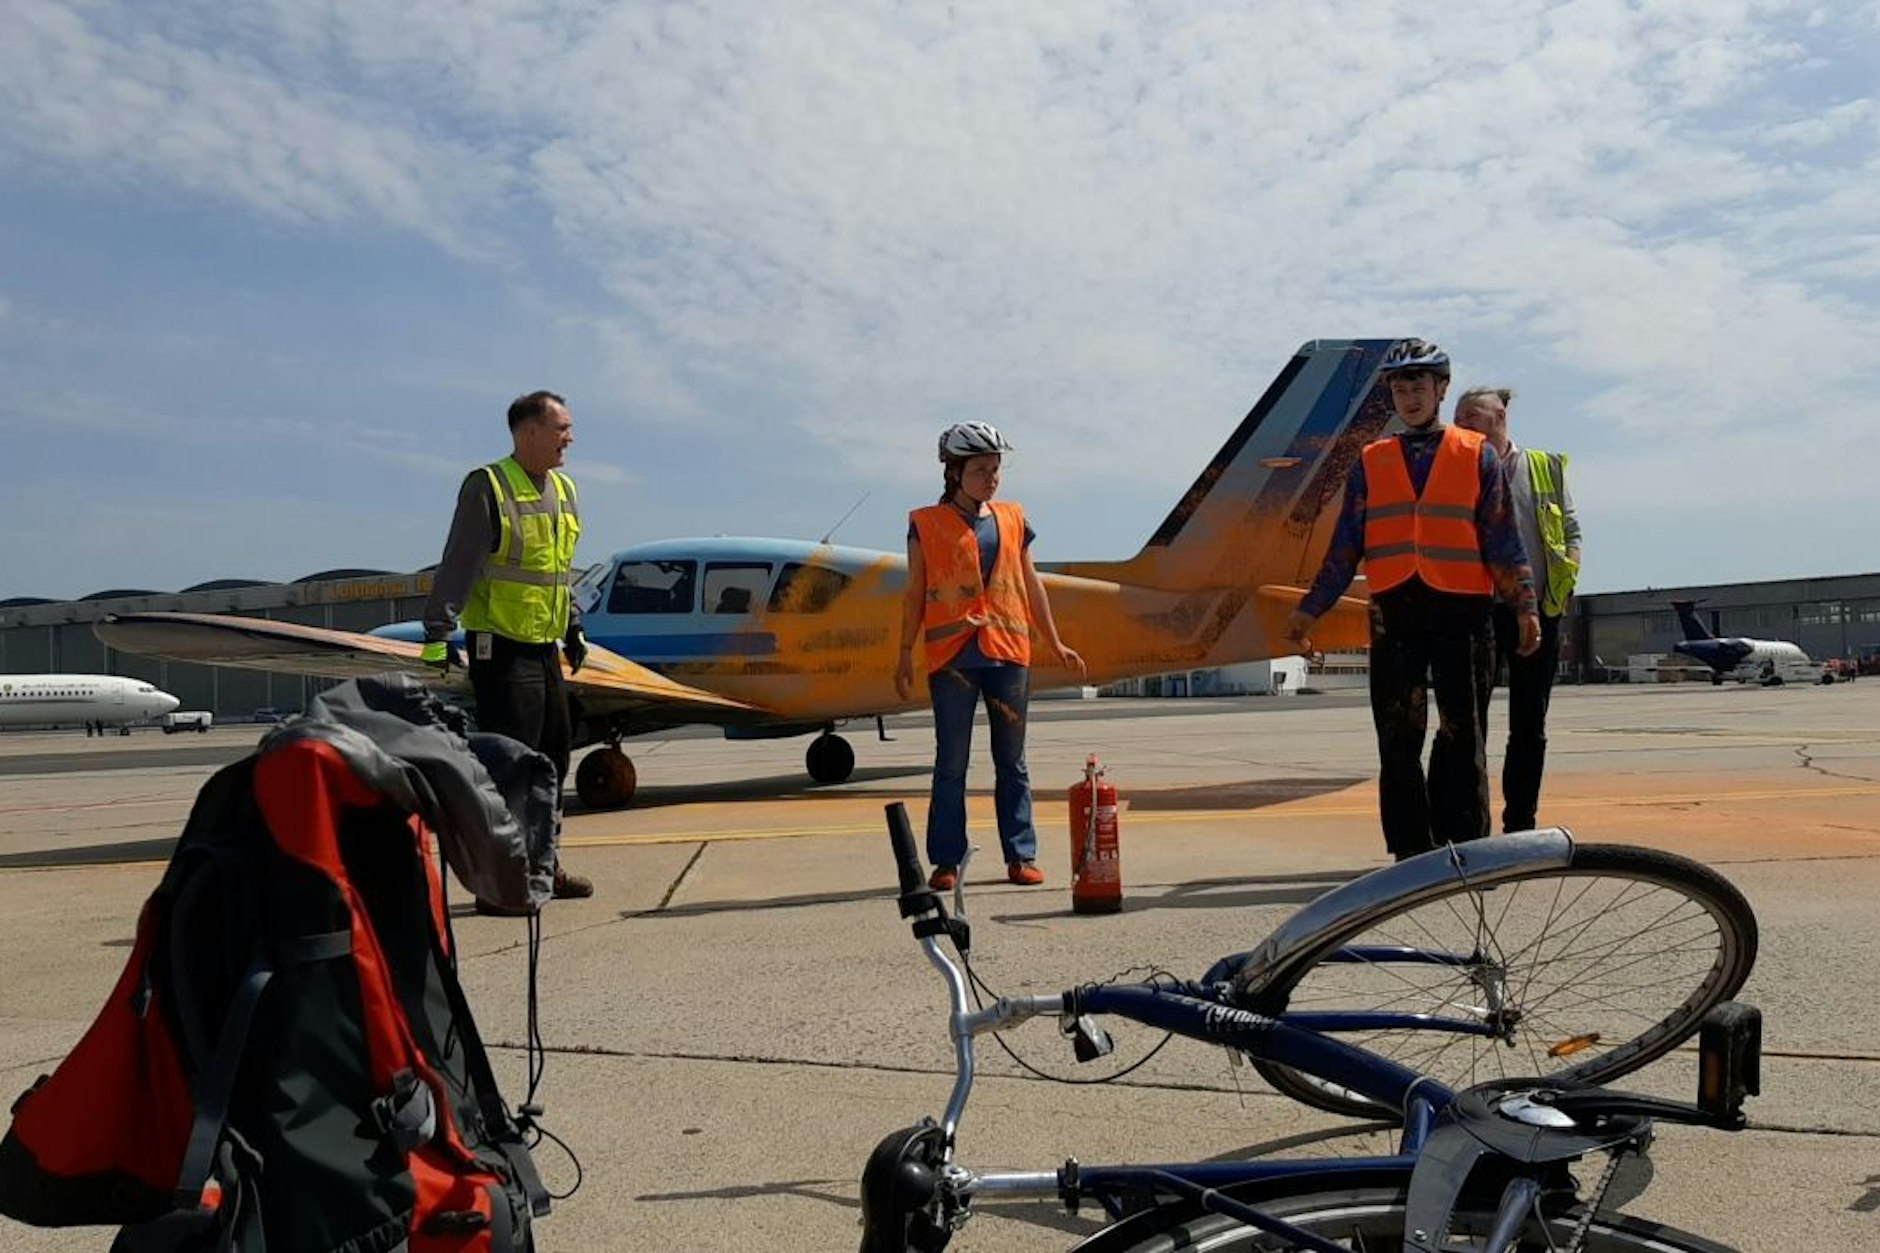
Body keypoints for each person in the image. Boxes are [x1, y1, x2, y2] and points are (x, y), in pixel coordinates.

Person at [1284, 340, 1540, 861]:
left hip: (1463, 612)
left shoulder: (1477, 455)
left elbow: (1503, 539)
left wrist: (1525, 606)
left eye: (1419, 385)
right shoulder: (1371, 461)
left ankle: (1464, 847)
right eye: (1400, 388)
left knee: (1462, 734)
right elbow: (1345, 546)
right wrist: (1310, 609)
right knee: (1398, 738)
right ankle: (1409, 851)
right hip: (1396, 612)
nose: (1410, 397)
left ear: (1441, 389)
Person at [421, 389, 594, 914]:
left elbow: (558, 571)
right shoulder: (488, 485)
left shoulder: (563, 489)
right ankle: (499, 885)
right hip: (501, 649)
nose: (570, 437)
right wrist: (436, 633)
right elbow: (460, 561)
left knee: (552, 761)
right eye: (562, 428)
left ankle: (543, 866)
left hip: (544, 648)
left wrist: (573, 626)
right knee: (510, 768)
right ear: (528, 432)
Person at [895, 422, 1085, 890]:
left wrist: (1055, 641)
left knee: (1012, 761)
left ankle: (1021, 856)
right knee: (951, 763)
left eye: (996, 469)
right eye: (980, 470)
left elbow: (1031, 583)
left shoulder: (1013, 518)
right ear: (954, 473)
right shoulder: (925, 523)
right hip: (953, 657)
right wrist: (903, 653)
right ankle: (946, 861)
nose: (991, 478)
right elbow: (915, 592)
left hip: (1008, 653)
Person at [1453, 386, 1582, 832]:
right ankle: (1470, 827)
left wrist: (1568, 577)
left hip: (1540, 610)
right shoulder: (1458, 470)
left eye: (1471, 414)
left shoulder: (1545, 466)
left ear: (1500, 415)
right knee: (1470, 724)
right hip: (1480, 611)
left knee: (1529, 724)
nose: (1461, 422)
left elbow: (1570, 528)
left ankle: (1520, 824)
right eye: (1457, 416)